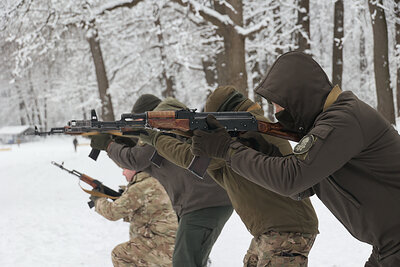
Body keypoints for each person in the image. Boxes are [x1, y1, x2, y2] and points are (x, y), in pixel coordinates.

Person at [190, 51, 400, 267]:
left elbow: (292, 178)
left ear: (298, 96)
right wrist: (260, 147)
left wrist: (227, 149)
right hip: (387, 246)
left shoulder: (344, 120)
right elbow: (304, 186)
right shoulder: (337, 123)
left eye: (278, 104)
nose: (276, 112)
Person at [148, 86, 319, 266]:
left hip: (286, 230)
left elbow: (193, 158)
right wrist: (181, 128)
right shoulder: (246, 132)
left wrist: (155, 139)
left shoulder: (247, 134)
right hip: (275, 229)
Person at [90, 94, 233, 267]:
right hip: (204, 201)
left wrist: (108, 145)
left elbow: (136, 160)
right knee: (187, 260)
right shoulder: (176, 124)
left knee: (184, 262)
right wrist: (122, 142)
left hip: (202, 204)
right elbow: (146, 158)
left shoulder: (162, 128)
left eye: (140, 120)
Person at [90, 168, 178, 267]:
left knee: (120, 254)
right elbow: (144, 214)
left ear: (134, 168)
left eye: (124, 169)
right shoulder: (157, 180)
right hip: (171, 244)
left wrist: (97, 199)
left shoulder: (141, 187)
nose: (123, 173)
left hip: (161, 247)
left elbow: (112, 213)